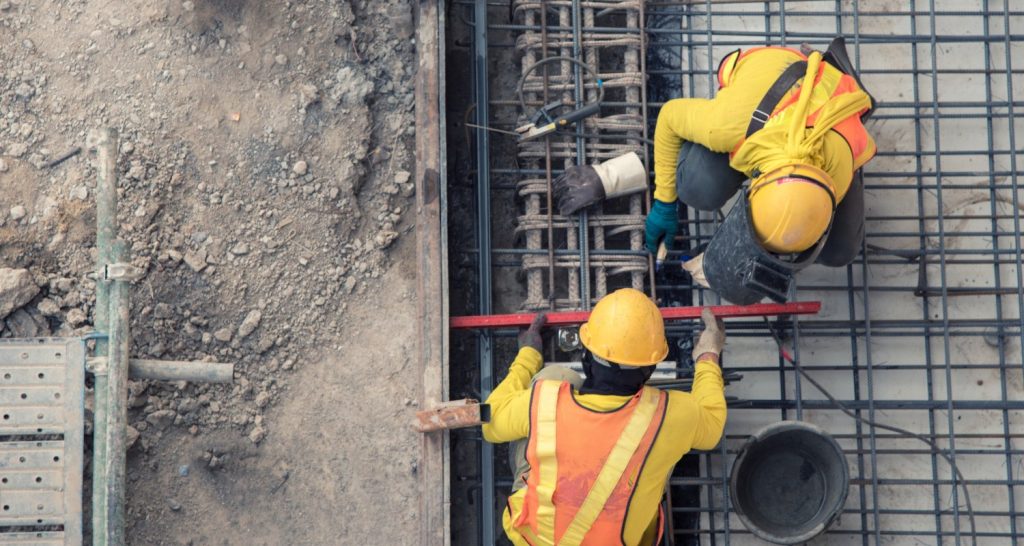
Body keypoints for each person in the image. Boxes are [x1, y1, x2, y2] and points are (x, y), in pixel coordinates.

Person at [554, 38, 875, 304]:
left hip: (833, 112)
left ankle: (839, 74)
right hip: (773, 80)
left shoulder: (841, 166)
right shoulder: (729, 126)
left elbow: (795, 225)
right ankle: (821, 63)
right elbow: (668, 118)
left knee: (840, 251)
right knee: (696, 187)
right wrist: (665, 201)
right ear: (754, 185)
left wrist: (735, 261)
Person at [482, 288, 727, 545]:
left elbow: (491, 423)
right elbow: (712, 425)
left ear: (587, 359)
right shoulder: (671, 415)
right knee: (661, 447)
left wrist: (528, 355)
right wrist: (707, 356)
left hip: (531, 540)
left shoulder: (546, 401)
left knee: (556, 376)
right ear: (650, 369)